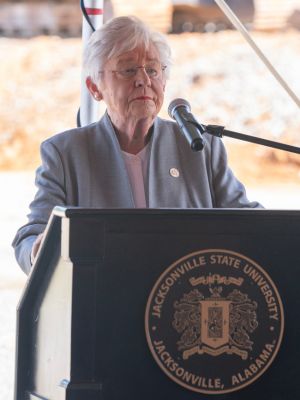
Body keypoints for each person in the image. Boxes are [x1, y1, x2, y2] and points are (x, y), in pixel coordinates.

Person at [12, 16, 261, 275]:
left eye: (153, 70)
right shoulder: (65, 154)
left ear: (163, 81)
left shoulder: (201, 148)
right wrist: (37, 249)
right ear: (94, 87)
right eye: (128, 69)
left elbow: (249, 222)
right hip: (103, 304)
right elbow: (30, 237)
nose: (143, 79)